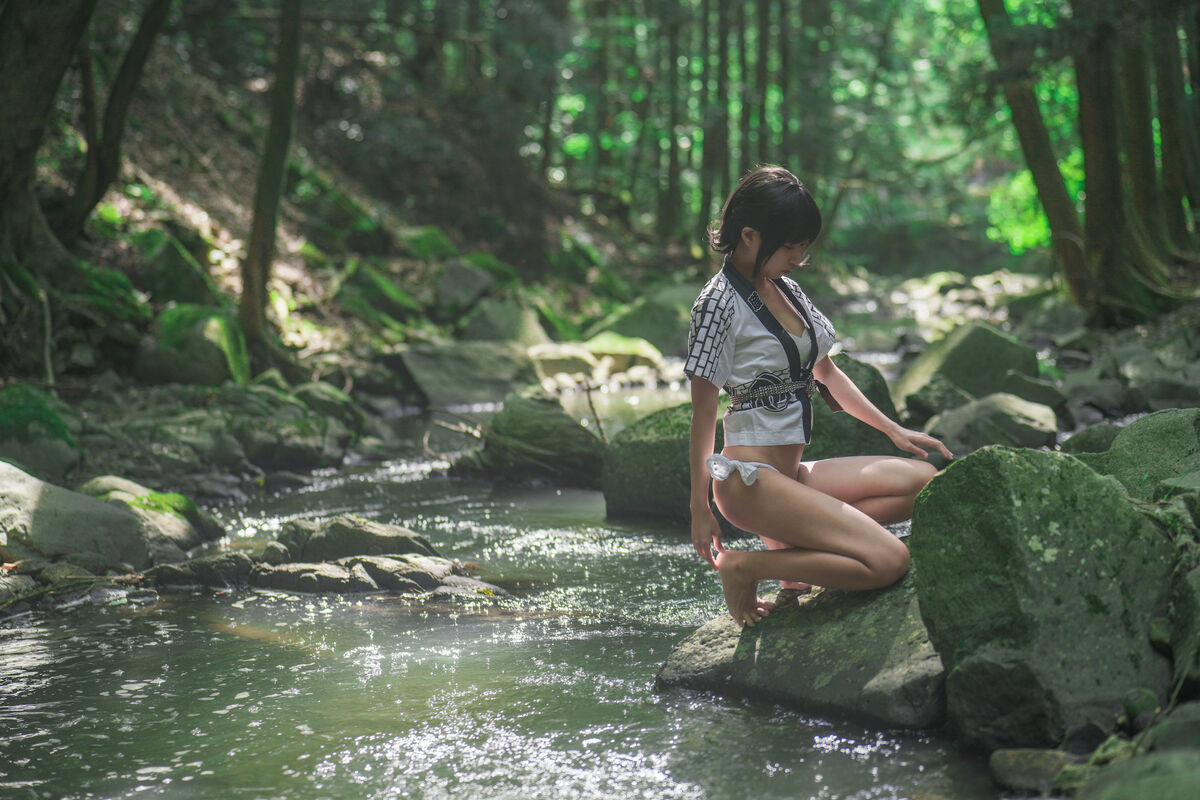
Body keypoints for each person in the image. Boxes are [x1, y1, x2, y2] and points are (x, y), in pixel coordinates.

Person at [684, 166, 953, 628]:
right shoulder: (716, 304)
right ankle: (746, 566)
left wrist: (893, 429)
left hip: (793, 478)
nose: (799, 257)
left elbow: (825, 371)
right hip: (750, 483)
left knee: (923, 482)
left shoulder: (786, 287)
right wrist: (699, 506)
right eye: (790, 246)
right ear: (749, 235)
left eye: (804, 246)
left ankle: (791, 552)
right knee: (888, 561)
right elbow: (703, 415)